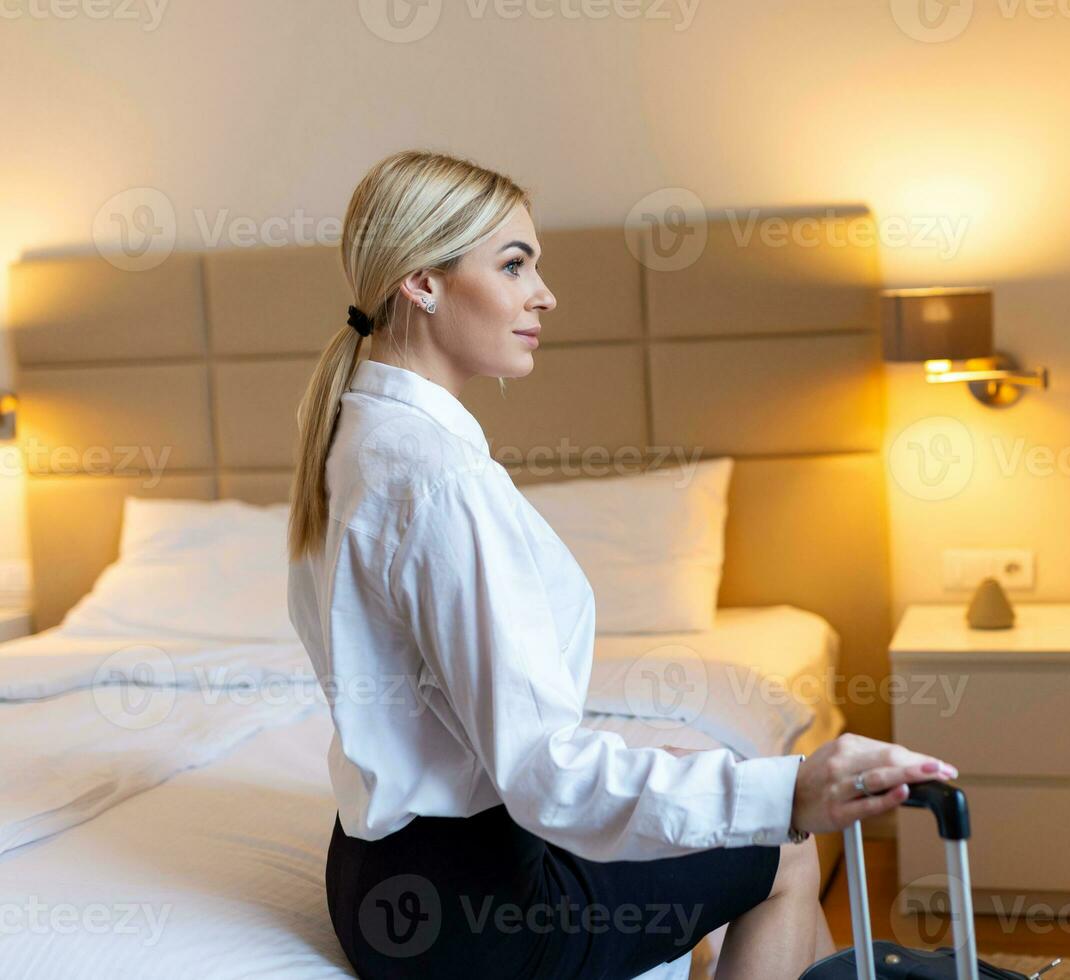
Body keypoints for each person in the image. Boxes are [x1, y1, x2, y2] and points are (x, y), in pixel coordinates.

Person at [285, 148, 959, 979]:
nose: (545, 294)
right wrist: (788, 792)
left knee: (704, 824)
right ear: (421, 282)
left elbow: (454, 712)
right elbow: (541, 772)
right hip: (479, 919)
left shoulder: (353, 436)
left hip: (374, 883)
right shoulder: (444, 479)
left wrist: (690, 781)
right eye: (514, 264)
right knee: (783, 856)